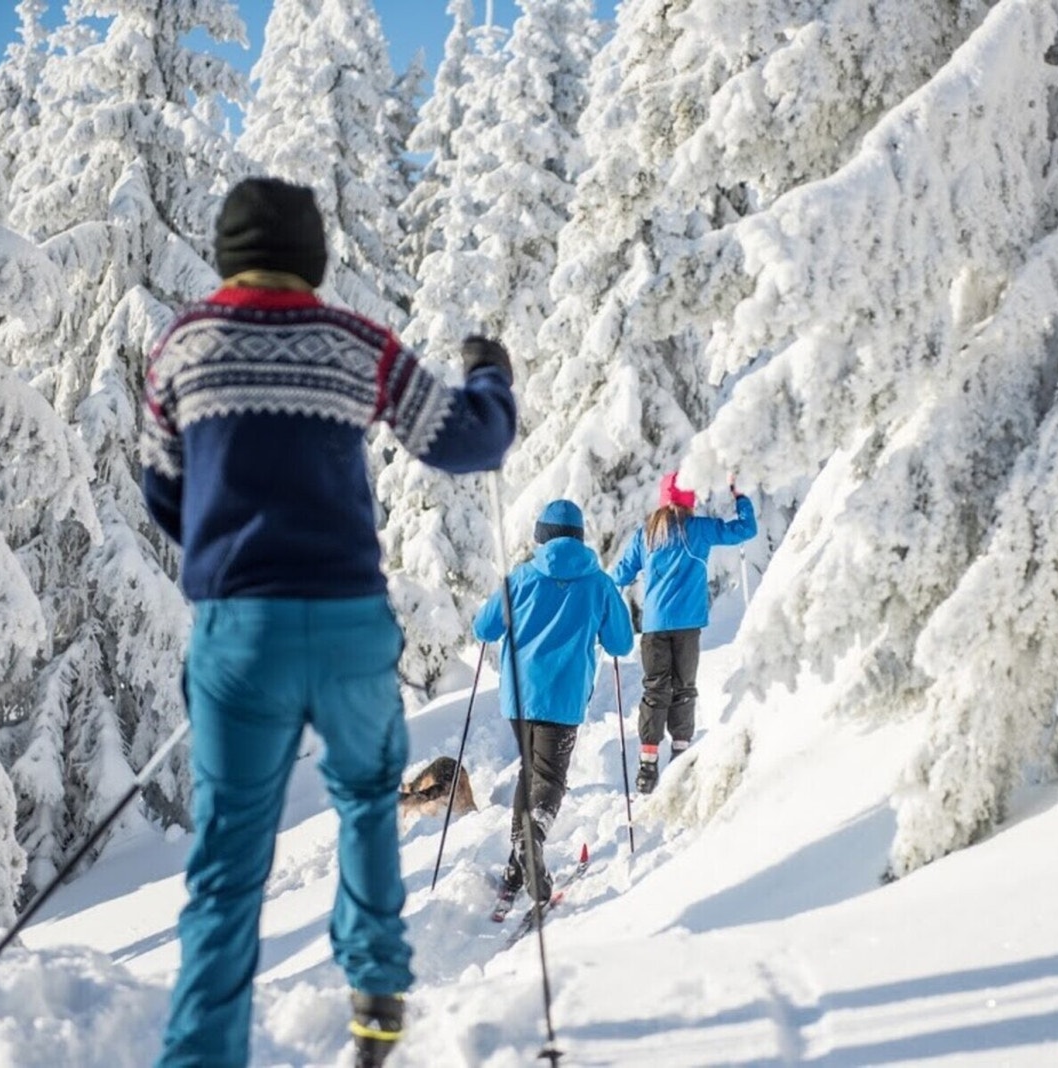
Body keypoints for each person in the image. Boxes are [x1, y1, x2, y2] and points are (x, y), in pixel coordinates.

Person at [139, 176, 516, 1068]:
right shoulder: (356, 344)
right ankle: (378, 998)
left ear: (229, 253)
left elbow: (163, 492)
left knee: (230, 855)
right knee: (364, 807)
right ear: (313, 257)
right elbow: (472, 442)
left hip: (241, 632)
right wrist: (490, 374)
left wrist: (224, 554)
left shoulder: (182, 347)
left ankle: (202, 1054)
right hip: (348, 624)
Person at [473, 499, 634, 908]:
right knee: (549, 780)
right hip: (562, 700)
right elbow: (620, 642)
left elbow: (484, 626)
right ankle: (532, 839)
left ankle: (515, 868)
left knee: (532, 774)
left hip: (519, 698)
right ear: (579, 537)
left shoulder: (522, 578)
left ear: (541, 536)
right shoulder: (598, 583)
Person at [611, 472, 756, 794]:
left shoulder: (646, 534)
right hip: (688, 627)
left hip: (654, 628)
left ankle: (647, 765)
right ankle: (680, 756)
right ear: (690, 500)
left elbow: (619, 575)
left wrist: (604, 604)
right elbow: (746, 530)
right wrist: (740, 496)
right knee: (684, 689)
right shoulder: (699, 530)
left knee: (655, 691)